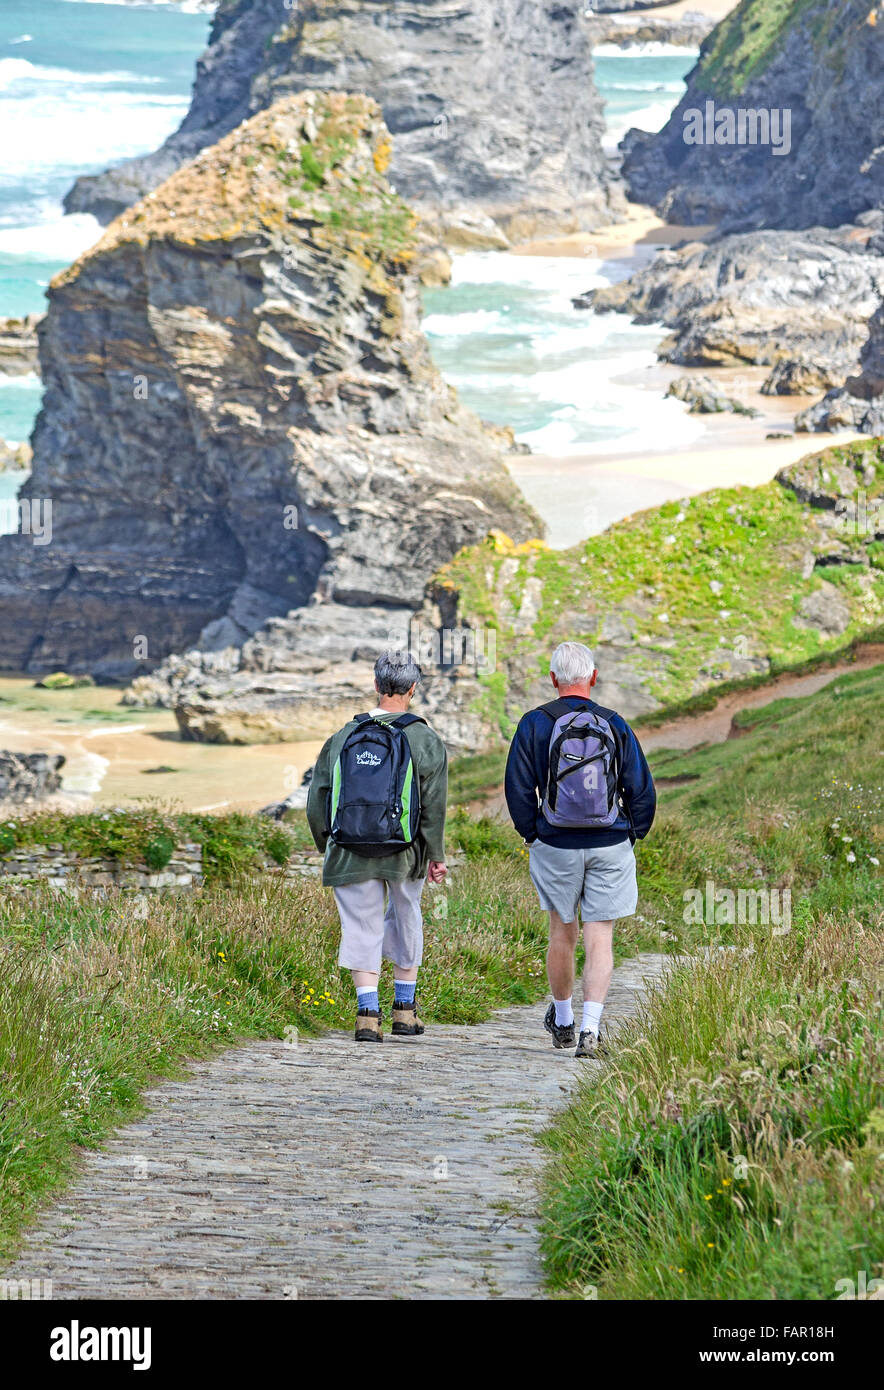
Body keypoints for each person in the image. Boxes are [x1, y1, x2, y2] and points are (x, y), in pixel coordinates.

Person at [504, 641, 656, 1059]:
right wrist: (631, 833)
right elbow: (640, 788)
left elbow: (518, 788)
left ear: (554, 680)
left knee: (561, 933)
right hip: (610, 842)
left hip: (554, 844)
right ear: (593, 677)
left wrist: (532, 833)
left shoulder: (534, 723)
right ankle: (591, 1030)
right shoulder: (614, 722)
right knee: (600, 939)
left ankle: (564, 1019)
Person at [307, 650, 448, 1042]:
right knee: (406, 919)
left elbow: (318, 797)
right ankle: (405, 1012)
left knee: (360, 925)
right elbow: (433, 805)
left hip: (349, 849)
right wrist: (435, 854)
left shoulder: (343, 737)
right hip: (405, 851)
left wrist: (328, 844)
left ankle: (368, 1015)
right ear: (413, 689)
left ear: (376, 685)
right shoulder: (424, 738)